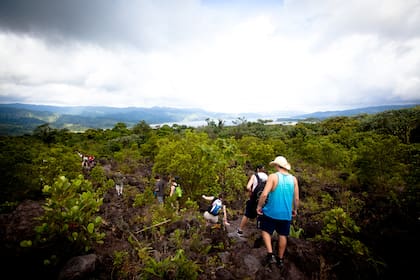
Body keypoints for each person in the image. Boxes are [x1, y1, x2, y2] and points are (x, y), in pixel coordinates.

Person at [256, 156, 299, 268]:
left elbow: (264, 194)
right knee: (283, 235)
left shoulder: (273, 177)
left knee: (265, 231)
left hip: (271, 212)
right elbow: (296, 198)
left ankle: (270, 255)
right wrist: (295, 209)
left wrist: (259, 206)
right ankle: (280, 259)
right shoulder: (293, 179)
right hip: (286, 213)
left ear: (276, 165)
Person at [237, 165, 268, 236]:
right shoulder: (267, 177)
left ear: (257, 169)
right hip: (264, 198)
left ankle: (240, 230)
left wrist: (251, 191)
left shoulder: (254, 176)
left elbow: (248, 187)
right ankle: (262, 231)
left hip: (254, 198)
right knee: (262, 214)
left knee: (247, 213)